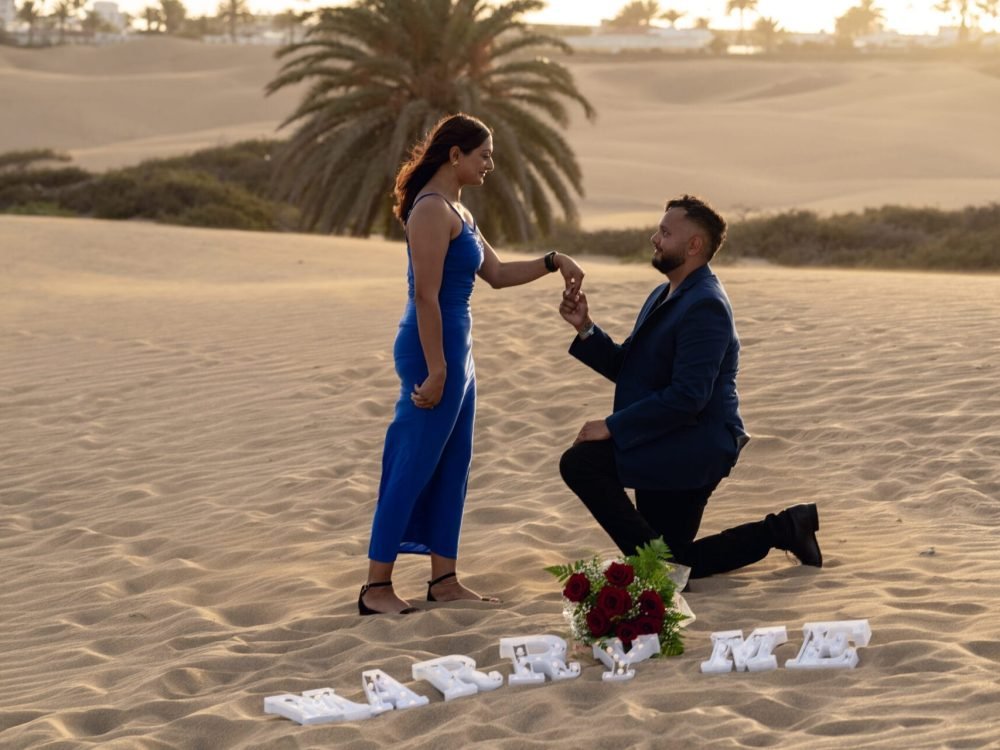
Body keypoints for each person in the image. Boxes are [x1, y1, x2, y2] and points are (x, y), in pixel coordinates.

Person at [360, 113, 586, 615]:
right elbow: (425, 297)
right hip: (429, 349)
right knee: (411, 462)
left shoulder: (460, 212)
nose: (491, 165)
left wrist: (554, 261)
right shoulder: (430, 211)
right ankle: (375, 587)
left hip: (457, 350)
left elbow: (499, 274)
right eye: (483, 155)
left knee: (452, 465)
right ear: (454, 154)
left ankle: (444, 579)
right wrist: (437, 369)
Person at [558, 194, 821, 581]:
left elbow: (688, 397)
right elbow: (630, 369)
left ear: (694, 245)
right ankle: (785, 528)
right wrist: (585, 327)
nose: (654, 238)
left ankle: (658, 571)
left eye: (666, 232)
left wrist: (612, 426)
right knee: (679, 557)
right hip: (665, 436)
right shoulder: (666, 294)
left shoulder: (705, 305)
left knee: (580, 462)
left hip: (693, 445)